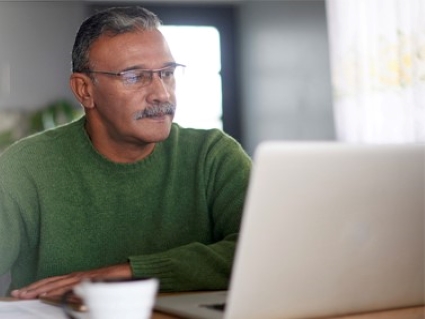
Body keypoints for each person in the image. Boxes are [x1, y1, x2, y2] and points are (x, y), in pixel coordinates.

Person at [0, 6, 251, 299]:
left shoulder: (213, 156)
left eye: (167, 73)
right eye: (135, 77)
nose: (162, 93)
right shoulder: (26, 167)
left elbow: (266, 249)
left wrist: (128, 272)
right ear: (84, 90)